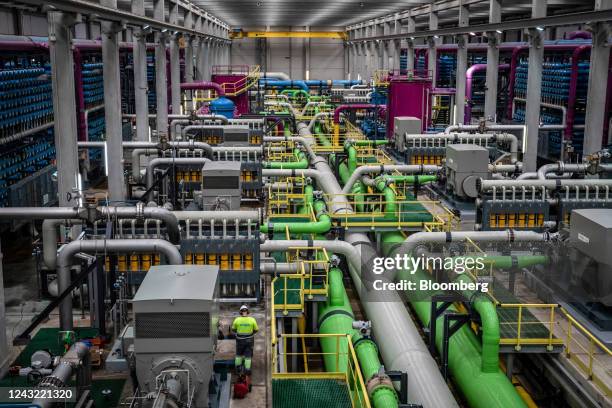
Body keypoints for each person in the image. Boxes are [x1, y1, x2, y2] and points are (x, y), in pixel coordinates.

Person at [231, 304, 259, 374]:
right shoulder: (252, 320)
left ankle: (238, 369)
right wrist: (250, 333)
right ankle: (247, 370)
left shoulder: (237, 320)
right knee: (248, 355)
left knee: (238, 354)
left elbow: (233, 329)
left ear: (240, 312)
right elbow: (256, 330)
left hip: (240, 340)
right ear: (248, 312)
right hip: (249, 340)